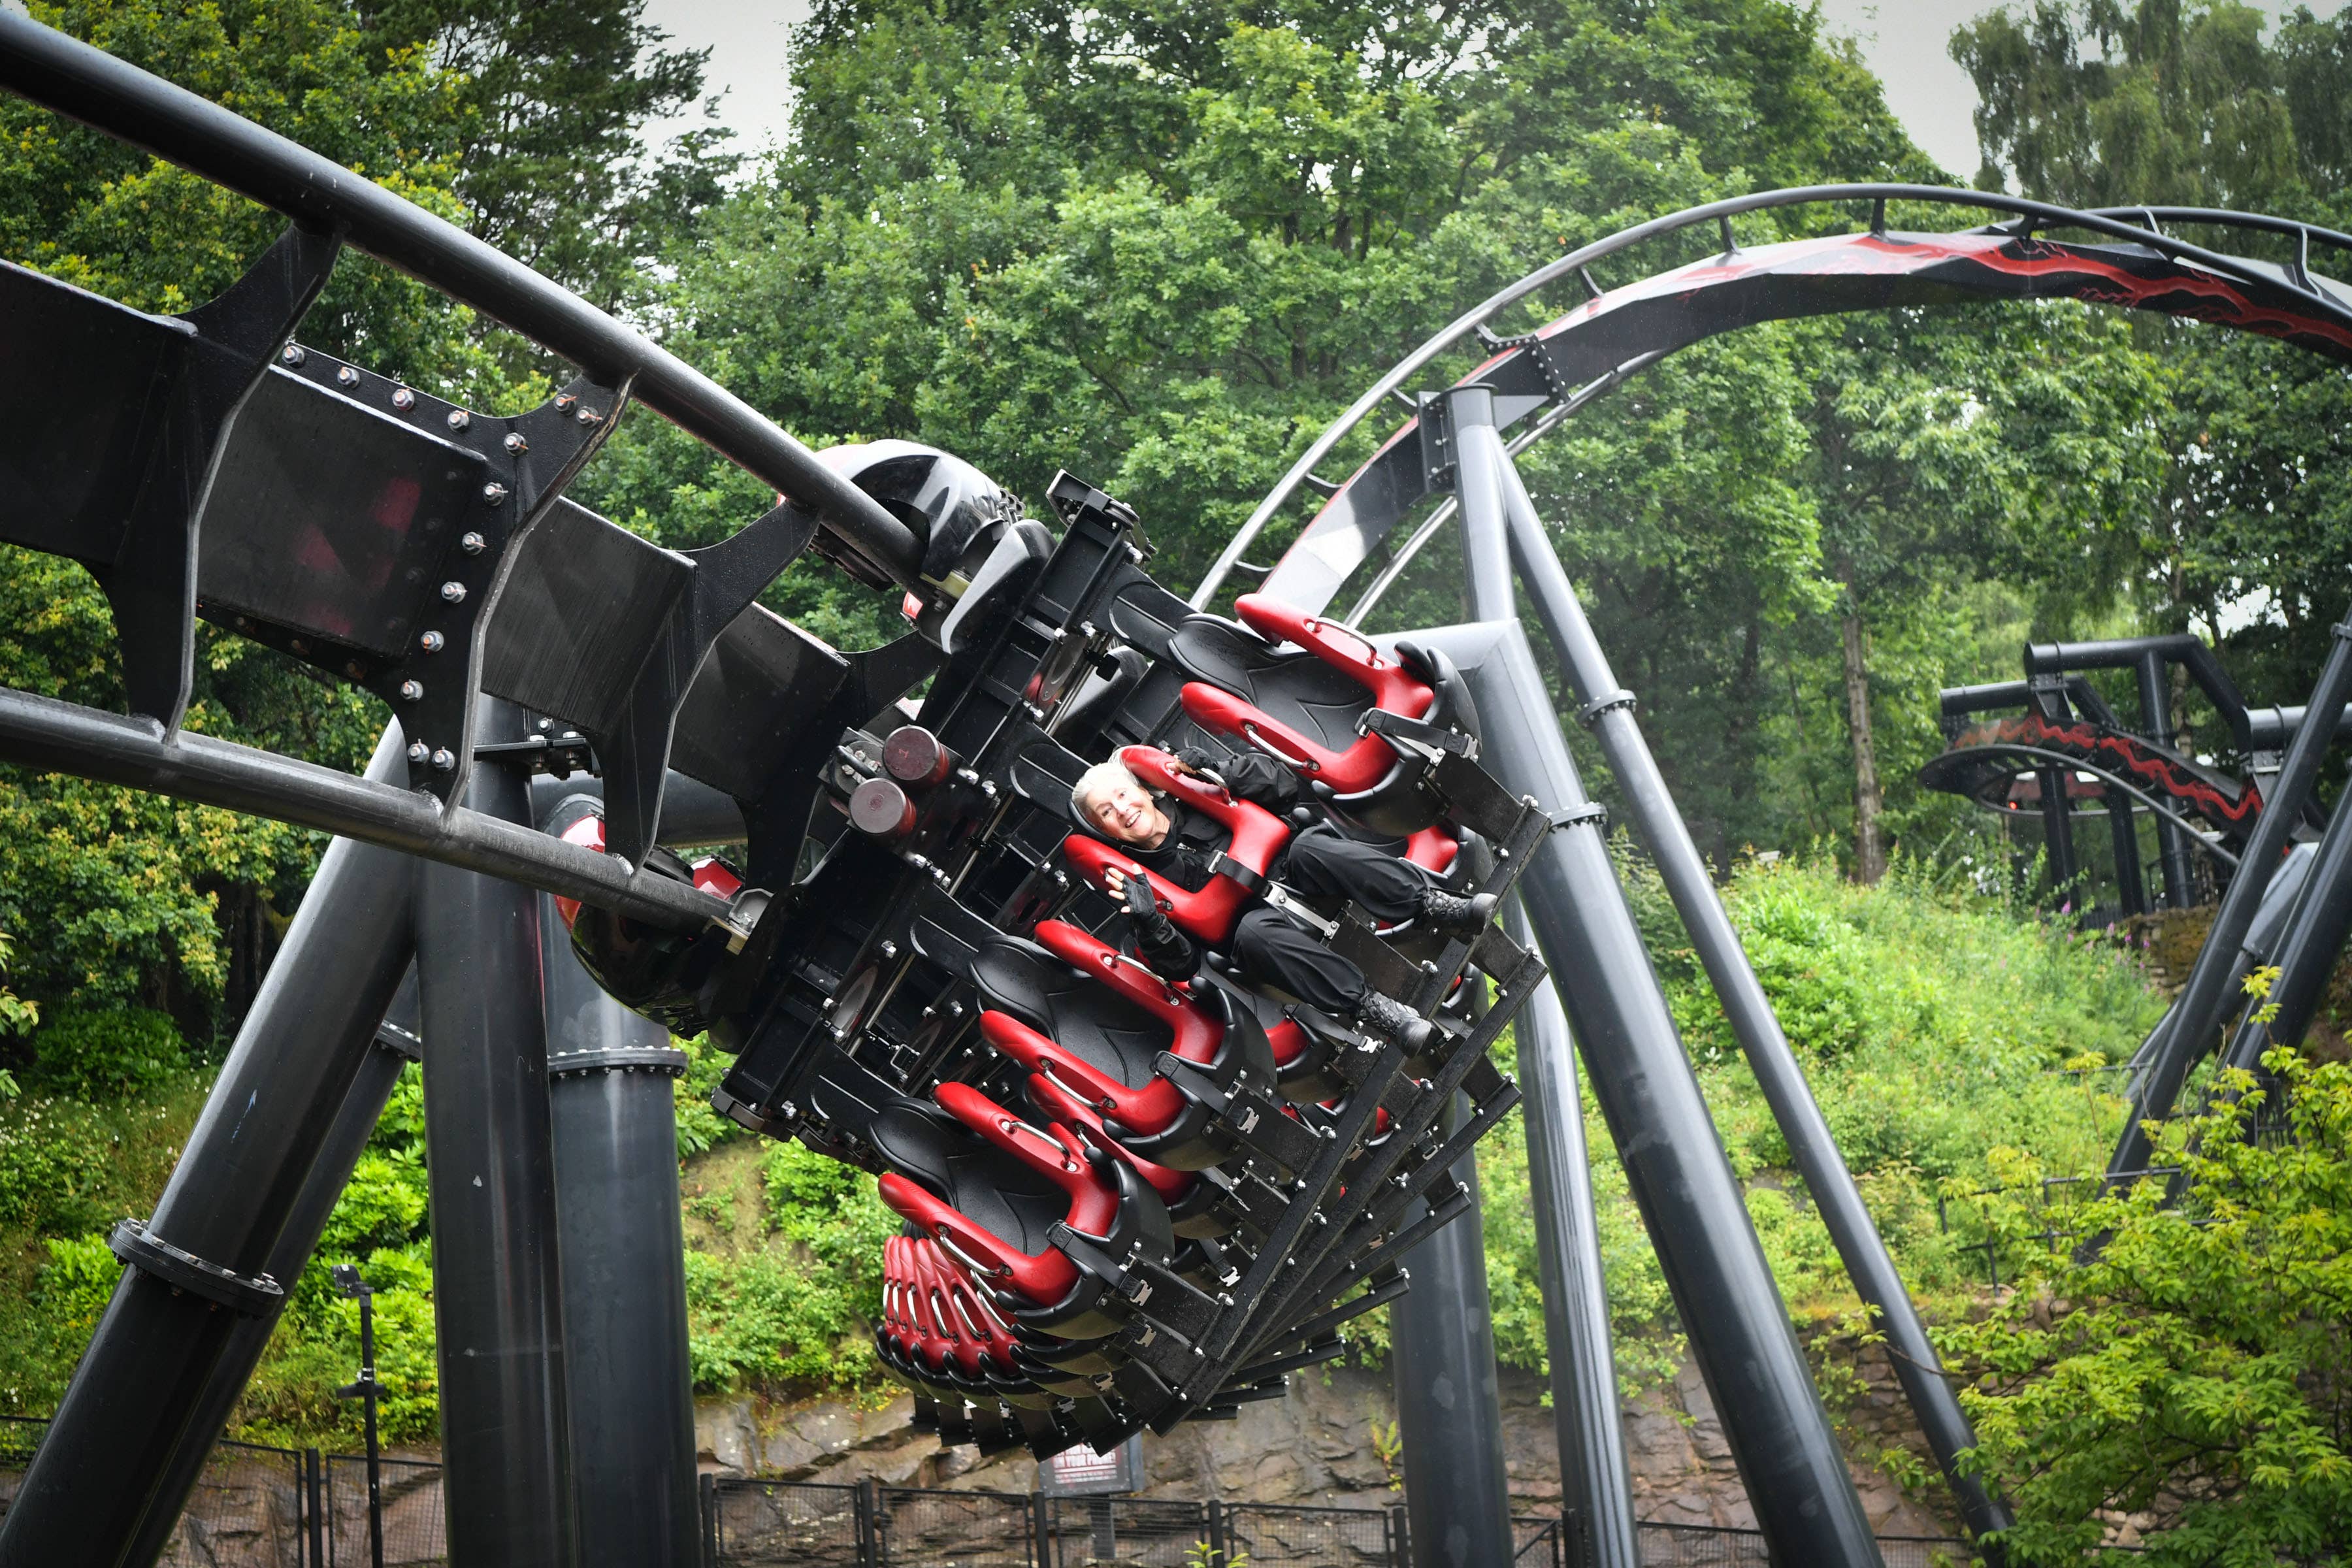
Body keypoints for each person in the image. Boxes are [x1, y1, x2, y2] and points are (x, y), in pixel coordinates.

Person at [1069, 746, 1494, 1049]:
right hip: (1252, 928)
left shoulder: (1198, 793)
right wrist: (1151, 925)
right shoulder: (1134, 884)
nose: (1122, 809)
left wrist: (1219, 771)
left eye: (1122, 795)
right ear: (1105, 831)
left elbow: (1284, 786)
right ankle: (1376, 1009)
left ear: (1144, 791)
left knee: (1314, 847)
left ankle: (1435, 906)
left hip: (1294, 868)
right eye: (1106, 812)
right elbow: (1181, 965)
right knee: (1255, 935)